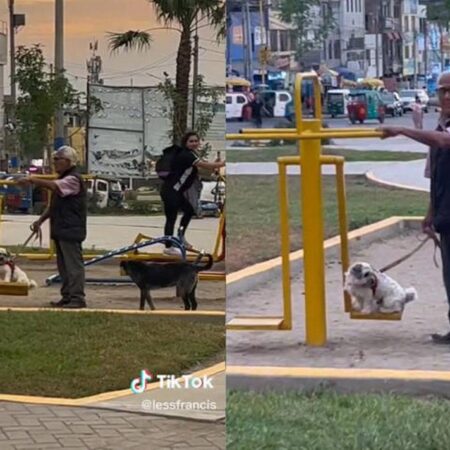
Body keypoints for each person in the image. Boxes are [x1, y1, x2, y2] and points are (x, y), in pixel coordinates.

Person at [376, 72, 450, 344]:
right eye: (443, 91)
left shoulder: (441, 134)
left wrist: (402, 130)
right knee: (449, 277)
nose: (446, 97)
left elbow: (444, 143)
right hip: (446, 215)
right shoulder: (441, 127)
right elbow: (438, 177)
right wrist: (431, 214)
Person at [17, 146, 87, 309]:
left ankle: (77, 298)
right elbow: (54, 205)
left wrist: (32, 179)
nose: (55, 162)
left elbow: (55, 186)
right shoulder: (63, 178)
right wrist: (40, 221)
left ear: (68, 161)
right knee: (64, 267)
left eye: (58, 159)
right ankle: (67, 296)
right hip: (62, 229)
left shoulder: (73, 179)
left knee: (73, 267)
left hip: (71, 230)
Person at [160, 132, 225, 256]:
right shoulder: (186, 155)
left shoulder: (192, 154)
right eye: (191, 141)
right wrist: (221, 164)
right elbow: (204, 165)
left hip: (175, 191)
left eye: (196, 141)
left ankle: (180, 237)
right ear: (185, 143)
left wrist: (215, 165)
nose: (194, 143)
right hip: (170, 191)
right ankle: (168, 247)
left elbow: (204, 168)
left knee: (189, 211)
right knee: (171, 217)